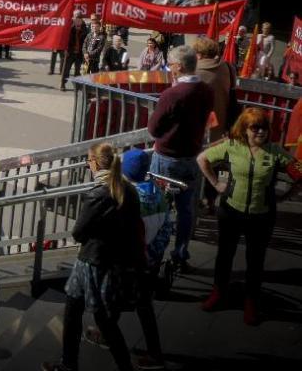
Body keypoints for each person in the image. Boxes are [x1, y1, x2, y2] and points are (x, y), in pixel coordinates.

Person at [197, 108, 302, 325]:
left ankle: (251, 302)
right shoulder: (232, 146)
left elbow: (300, 173)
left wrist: (286, 196)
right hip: (230, 211)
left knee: (255, 260)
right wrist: (216, 183)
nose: (261, 132)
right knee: (225, 255)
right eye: (255, 128)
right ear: (244, 129)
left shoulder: (275, 151)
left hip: (261, 215)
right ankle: (218, 293)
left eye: (264, 127)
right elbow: (202, 159)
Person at [42, 143, 142, 371]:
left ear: (95, 163)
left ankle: (72, 364)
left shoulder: (98, 193)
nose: (88, 165)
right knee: (87, 314)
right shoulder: (129, 189)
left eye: (89, 161)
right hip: (114, 260)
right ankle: (75, 363)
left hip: (91, 261)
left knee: (92, 317)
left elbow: (78, 232)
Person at [146, 45, 213, 272]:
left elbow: (154, 129)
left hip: (167, 158)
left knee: (159, 208)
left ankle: (154, 255)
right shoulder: (205, 90)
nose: (169, 69)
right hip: (192, 157)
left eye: (170, 65)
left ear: (179, 67)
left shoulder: (172, 94)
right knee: (185, 209)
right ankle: (181, 253)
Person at [117, 150, 169, 369]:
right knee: (142, 304)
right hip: (149, 260)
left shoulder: (128, 198)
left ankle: (153, 355)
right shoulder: (159, 194)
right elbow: (166, 229)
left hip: (130, 259)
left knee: (117, 294)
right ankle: (154, 352)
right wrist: (153, 255)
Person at [59, 12, 88, 88]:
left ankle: (77, 85)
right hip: (70, 52)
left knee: (77, 70)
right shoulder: (68, 27)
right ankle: (63, 83)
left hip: (79, 53)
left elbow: (87, 41)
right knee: (66, 69)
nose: (78, 21)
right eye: (76, 19)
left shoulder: (85, 28)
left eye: (80, 19)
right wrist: (65, 50)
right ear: (73, 19)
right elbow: (63, 40)